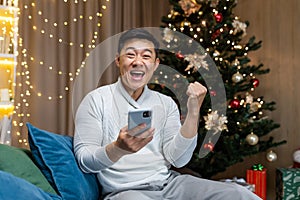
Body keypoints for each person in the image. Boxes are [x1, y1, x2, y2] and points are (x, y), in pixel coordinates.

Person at [73, 28, 261, 200]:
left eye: (146, 56)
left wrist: (194, 112)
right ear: (118, 60)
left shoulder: (165, 102)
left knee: (238, 194)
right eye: (130, 55)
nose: (138, 61)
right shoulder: (96, 100)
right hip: (125, 192)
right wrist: (118, 148)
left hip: (170, 185)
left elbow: (178, 159)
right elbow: (84, 161)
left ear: (155, 65)